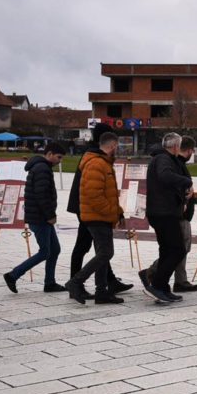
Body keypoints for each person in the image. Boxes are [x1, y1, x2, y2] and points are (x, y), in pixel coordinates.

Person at [67, 125, 133, 295]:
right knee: (89, 248)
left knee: (102, 249)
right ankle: (76, 283)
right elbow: (93, 193)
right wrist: (112, 213)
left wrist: (117, 211)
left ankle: (105, 286)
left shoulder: (98, 157)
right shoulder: (95, 159)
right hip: (90, 211)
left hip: (90, 209)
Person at [139, 135, 197, 293]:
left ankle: (161, 285)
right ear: (176, 147)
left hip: (167, 211)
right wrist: (187, 184)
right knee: (177, 249)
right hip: (166, 212)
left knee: (170, 249)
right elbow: (167, 178)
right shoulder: (164, 160)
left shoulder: (165, 159)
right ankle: (156, 279)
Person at [4, 145, 66, 293]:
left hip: (40, 216)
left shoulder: (41, 167)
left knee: (55, 250)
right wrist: (50, 215)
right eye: (59, 157)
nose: (60, 161)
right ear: (49, 153)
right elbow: (41, 195)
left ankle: (50, 283)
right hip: (40, 218)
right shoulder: (42, 169)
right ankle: (13, 275)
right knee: (45, 251)